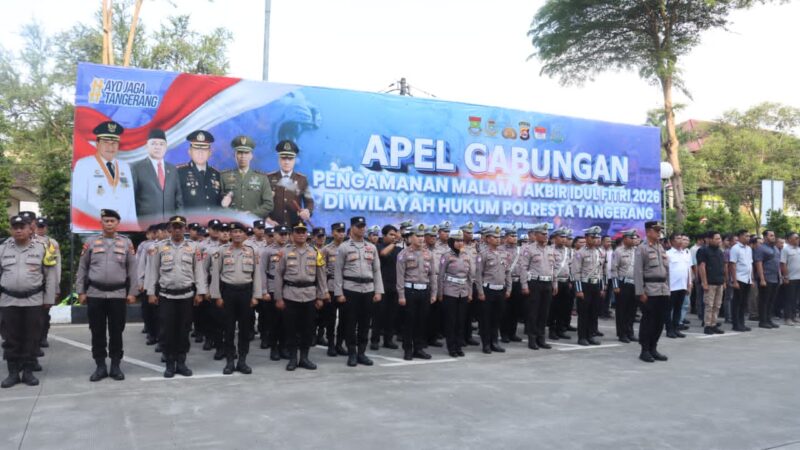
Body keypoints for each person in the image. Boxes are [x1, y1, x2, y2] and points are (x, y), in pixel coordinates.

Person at [75, 209, 138, 381]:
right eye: (106, 221)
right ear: (101, 223)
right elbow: (82, 268)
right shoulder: (91, 242)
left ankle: (116, 366)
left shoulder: (126, 243)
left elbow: (133, 269)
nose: (109, 223)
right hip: (95, 293)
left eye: (112, 221)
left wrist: (132, 292)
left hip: (118, 294)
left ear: (118, 223)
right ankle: (100, 366)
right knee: (97, 331)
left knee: (117, 331)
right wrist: (80, 291)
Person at [145, 216, 206, 378]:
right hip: (166, 296)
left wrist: (201, 292)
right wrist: (151, 292)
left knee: (184, 331)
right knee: (166, 331)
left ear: (185, 229)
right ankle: (170, 363)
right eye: (175, 227)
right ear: (169, 229)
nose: (178, 230)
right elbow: (153, 271)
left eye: (180, 227)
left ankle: (181, 362)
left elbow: (199, 271)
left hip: (186, 296)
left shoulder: (193, 248)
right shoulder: (160, 247)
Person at [0, 215, 58, 388]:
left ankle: (27, 372)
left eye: (22, 227)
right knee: (10, 338)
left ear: (29, 229)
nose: (18, 230)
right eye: (15, 227)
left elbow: (50, 275)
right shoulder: (2, 249)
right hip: (8, 300)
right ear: (11, 229)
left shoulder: (42, 248)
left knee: (31, 338)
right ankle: (12, 373)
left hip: (33, 301)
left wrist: (49, 298)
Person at [209, 222, 262, 374]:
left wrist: (256, 296)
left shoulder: (251, 251)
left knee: (245, 329)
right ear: (230, 234)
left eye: (240, 232)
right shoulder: (221, 251)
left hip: (245, 293)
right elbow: (215, 276)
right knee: (229, 329)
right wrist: (217, 296)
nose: (237, 234)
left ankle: (242, 361)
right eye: (235, 232)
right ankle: (230, 361)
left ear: (245, 235)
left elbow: (256, 274)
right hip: (228, 293)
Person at [275, 222, 328, 371]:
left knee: (308, 329)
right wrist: (278, 298)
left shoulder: (315, 252)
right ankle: (293, 358)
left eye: (303, 232)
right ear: (292, 235)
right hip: (290, 295)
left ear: (307, 235)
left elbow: (321, 276)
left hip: (310, 295)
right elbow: (278, 275)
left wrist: (320, 296)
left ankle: (304, 358)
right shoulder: (284, 252)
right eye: (297, 231)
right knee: (290, 329)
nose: (300, 234)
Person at [333, 216, 384, 367]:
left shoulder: (371, 247)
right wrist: (339, 293)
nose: (362, 228)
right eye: (359, 226)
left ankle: (362, 353)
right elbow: (338, 272)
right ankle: (352, 353)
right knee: (350, 323)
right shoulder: (344, 247)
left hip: (368, 290)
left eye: (363, 226)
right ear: (352, 227)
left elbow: (376, 270)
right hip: (350, 289)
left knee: (364, 323)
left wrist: (378, 291)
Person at [72, 121, 137, 225]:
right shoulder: (84, 165)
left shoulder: (125, 167)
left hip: (123, 227)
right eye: (105, 142)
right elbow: (79, 201)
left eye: (114, 143)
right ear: (97, 144)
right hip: (94, 227)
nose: (110, 147)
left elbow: (131, 203)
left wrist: (134, 226)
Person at [396, 224, 437, 360]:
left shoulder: (428, 254)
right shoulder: (404, 254)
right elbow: (400, 276)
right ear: (411, 237)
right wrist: (401, 295)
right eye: (417, 236)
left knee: (421, 322)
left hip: (424, 291)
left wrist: (433, 293)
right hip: (410, 291)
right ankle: (408, 349)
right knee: (409, 322)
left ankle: (418, 349)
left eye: (421, 236)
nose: (420, 239)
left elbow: (432, 275)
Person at [633, 221, 669, 363]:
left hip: (662, 290)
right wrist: (640, 292)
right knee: (648, 321)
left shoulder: (661, 248)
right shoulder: (642, 248)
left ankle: (654, 348)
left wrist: (668, 289)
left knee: (660, 322)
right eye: (656, 230)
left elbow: (666, 271)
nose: (659, 232)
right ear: (648, 232)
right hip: (650, 290)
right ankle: (645, 350)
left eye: (660, 230)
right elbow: (638, 271)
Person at [130, 129, 183, 226]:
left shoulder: (172, 169)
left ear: (166, 147)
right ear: (147, 146)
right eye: (154, 143)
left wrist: (178, 224)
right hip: (146, 228)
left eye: (161, 144)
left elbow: (178, 199)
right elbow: (131, 200)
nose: (158, 147)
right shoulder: (136, 168)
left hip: (169, 228)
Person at [519, 223, 557, 350]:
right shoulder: (528, 249)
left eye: (547, 234)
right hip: (534, 283)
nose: (546, 236)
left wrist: (554, 283)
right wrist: (524, 285)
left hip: (547, 283)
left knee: (544, 312)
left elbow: (553, 268)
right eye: (543, 234)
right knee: (533, 312)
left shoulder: (551, 249)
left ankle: (541, 338)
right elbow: (523, 268)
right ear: (535, 235)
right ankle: (532, 339)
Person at [437, 230, 473, 357]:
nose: (459, 243)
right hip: (449, 291)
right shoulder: (446, 256)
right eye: (457, 241)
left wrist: (470, 293)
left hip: (463, 292)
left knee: (460, 321)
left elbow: (470, 276)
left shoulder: (466, 255)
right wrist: (440, 293)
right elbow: (441, 275)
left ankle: (458, 345)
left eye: (461, 240)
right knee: (451, 321)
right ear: (452, 242)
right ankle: (451, 347)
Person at [475, 226, 511, 354]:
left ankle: (494, 342)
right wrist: (480, 292)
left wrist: (508, 288)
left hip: (500, 290)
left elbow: (507, 272)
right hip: (487, 290)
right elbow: (478, 274)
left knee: (497, 318)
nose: (498, 239)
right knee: (486, 319)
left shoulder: (504, 254)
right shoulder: (483, 254)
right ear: (488, 239)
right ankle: (486, 344)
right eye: (495, 237)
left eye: (499, 237)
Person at [221, 136, 274, 219]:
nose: (243, 156)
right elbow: (218, 203)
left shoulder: (262, 178)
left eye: (246, 153)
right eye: (239, 153)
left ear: (251, 155)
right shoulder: (224, 176)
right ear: (234, 155)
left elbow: (269, 205)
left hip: (254, 224)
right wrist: (232, 214)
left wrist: (252, 214)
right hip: (231, 223)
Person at [259, 224, 290, 360]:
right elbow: (262, 272)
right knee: (273, 321)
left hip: (288, 289)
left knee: (286, 321)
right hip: (272, 288)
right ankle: (274, 348)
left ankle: (283, 347)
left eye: (285, 234)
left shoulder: (291, 249)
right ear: (275, 235)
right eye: (280, 234)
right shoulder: (267, 251)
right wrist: (264, 291)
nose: (283, 237)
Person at [571, 226, 606, 346]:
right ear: (586, 238)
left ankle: (590, 335)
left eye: (597, 237)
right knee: (584, 312)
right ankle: (582, 337)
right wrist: (579, 290)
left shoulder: (600, 252)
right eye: (593, 237)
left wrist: (602, 287)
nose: (596, 239)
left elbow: (601, 271)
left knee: (593, 312)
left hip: (595, 284)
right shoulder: (580, 253)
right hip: (584, 285)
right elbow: (576, 272)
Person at [266, 140, 313, 227]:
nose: (286, 162)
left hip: (295, 228)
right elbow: (261, 203)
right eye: (283, 158)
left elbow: (309, 202)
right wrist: (267, 219)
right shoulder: (268, 178)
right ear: (279, 159)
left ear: (294, 160)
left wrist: (307, 211)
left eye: (290, 159)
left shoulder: (302, 180)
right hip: (273, 228)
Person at [177, 130, 224, 214]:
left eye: (204, 150)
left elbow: (219, 205)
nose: (200, 153)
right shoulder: (179, 173)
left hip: (212, 225)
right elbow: (175, 204)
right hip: (189, 224)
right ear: (189, 152)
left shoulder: (217, 175)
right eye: (196, 149)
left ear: (210, 153)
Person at [32, 217, 61, 353]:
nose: (41, 228)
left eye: (43, 226)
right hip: (32, 284)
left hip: (47, 284)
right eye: (38, 226)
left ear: (46, 228)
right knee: (33, 316)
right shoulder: (29, 240)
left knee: (44, 314)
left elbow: (57, 266)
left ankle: (42, 337)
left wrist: (56, 286)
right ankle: (34, 341)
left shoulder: (52, 243)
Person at [320, 222, 349, 356]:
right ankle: (331, 344)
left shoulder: (349, 247)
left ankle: (339, 344)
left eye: (343, 231)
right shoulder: (326, 250)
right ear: (333, 233)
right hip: (331, 285)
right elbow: (321, 271)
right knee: (330, 319)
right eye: (338, 231)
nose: (341, 233)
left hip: (346, 286)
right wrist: (324, 291)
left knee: (345, 318)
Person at [371, 224, 401, 351]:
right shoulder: (378, 246)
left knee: (391, 315)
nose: (394, 237)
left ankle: (388, 340)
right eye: (391, 234)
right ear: (384, 236)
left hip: (394, 286)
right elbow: (383, 254)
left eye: (395, 234)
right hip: (381, 286)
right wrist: (394, 243)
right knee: (379, 315)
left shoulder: (398, 249)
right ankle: (375, 340)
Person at [610, 229, 639, 343]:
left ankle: (630, 332)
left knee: (632, 310)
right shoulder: (618, 251)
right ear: (625, 239)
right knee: (622, 310)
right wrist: (616, 286)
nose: (633, 240)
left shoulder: (638, 251)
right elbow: (614, 269)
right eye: (631, 238)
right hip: (623, 283)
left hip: (635, 283)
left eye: (634, 238)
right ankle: (622, 334)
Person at [697, 231, 727, 334]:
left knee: (717, 305)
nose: (719, 241)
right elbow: (702, 267)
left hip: (719, 281)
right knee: (709, 305)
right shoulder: (703, 251)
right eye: (717, 239)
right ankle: (707, 325)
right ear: (709, 239)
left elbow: (722, 267)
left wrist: (724, 281)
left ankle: (714, 324)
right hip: (709, 282)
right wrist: (704, 282)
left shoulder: (720, 251)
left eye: (720, 239)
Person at [549, 227, 574, 340]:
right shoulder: (550, 250)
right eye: (561, 237)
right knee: (553, 308)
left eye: (565, 237)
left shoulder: (568, 251)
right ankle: (552, 330)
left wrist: (569, 281)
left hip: (565, 282)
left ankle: (560, 329)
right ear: (555, 238)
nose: (564, 239)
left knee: (563, 308)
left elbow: (569, 266)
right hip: (555, 282)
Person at [665, 233, 691, 339]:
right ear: (672, 241)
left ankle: (676, 328)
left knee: (678, 309)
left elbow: (688, 270)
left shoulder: (685, 253)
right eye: (678, 238)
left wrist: (689, 284)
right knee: (668, 309)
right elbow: (665, 272)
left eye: (681, 238)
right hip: (671, 286)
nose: (680, 240)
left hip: (682, 285)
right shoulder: (668, 254)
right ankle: (669, 329)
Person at [753, 229, 781, 329]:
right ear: (765, 237)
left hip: (775, 278)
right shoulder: (761, 248)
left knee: (771, 300)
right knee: (764, 300)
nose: (773, 237)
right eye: (771, 235)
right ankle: (763, 321)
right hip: (766, 278)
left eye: (773, 235)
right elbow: (758, 263)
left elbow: (777, 264)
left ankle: (769, 319)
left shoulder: (776, 248)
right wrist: (762, 279)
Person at [728, 229, 753, 332]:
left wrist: (752, 278)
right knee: (737, 302)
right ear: (740, 237)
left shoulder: (749, 249)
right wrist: (734, 281)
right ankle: (736, 324)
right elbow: (732, 265)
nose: (748, 238)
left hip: (747, 279)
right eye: (746, 236)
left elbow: (750, 264)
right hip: (739, 278)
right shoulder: (735, 248)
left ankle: (742, 323)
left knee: (743, 302)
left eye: (749, 236)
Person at [780, 232, 800, 325]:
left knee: (796, 299)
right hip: (790, 278)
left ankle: (793, 316)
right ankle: (787, 318)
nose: (798, 239)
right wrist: (786, 276)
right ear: (789, 239)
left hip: (798, 277)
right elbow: (783, 264)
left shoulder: (798, 249)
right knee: (789, 298)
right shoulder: (785, 249)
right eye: (796, 238)